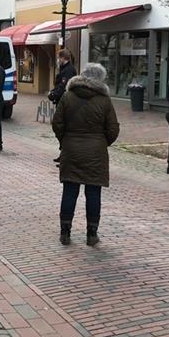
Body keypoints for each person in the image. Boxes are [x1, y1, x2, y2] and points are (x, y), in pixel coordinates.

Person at [52, 63, 119, 247]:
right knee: (93, 192)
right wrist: (102, 142)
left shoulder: (68, 96)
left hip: (71, 149)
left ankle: (65, 232)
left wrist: (64, 140)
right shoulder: (104, 100)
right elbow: (113, 128)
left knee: (70, 191)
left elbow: (57, 123)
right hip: (96, 152)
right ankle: (91, 234)